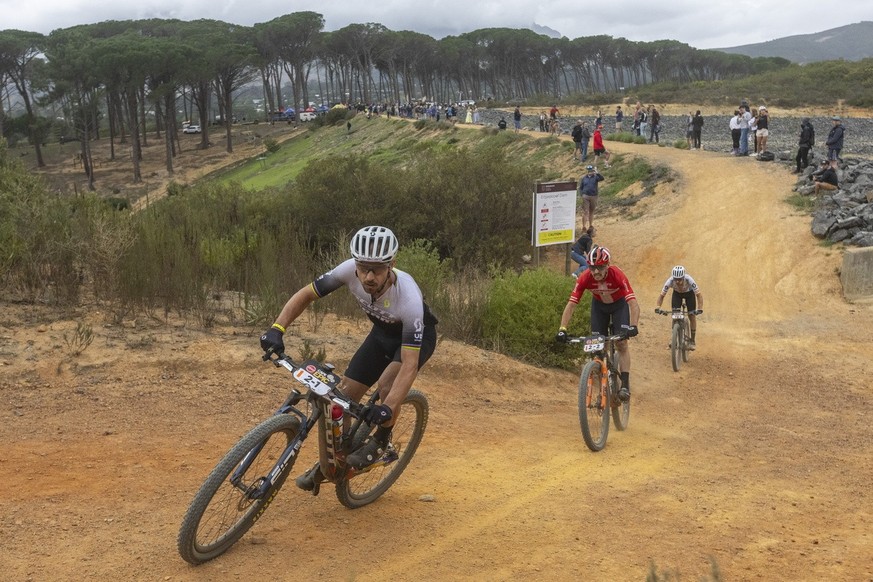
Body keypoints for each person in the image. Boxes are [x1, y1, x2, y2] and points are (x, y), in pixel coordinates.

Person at [259, 226, 438, 490]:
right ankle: (335, 460)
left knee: (388, 386)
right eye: (363, 267)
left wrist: (386, 407)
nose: (368, 276)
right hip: (381, 334)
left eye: (376, 269)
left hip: (414, 341)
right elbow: (306, 294)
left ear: (392, 265)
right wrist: (277, 328)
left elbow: (409, 365)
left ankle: (381, 442)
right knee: (341, 398)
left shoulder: (408, 297)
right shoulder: (347, 271)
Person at [556, 246, 640, 401]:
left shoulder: (618, 275)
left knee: (622, 344)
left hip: (619, 307)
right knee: (598, 347)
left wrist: (633, 326)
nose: (596, 272)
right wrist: (562, 328)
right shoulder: (585, 277)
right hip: (599, 308)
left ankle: (625, 385)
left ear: (607, 265)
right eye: (592, 268)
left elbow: (633, 303)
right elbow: (571, 304)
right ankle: (601, 381)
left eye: (600, 267)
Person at [655, 265, 704, 350]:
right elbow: (661, 296)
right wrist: (658, 307)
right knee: (675, 314)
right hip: (677, 295)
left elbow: (699, 295)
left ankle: (692, 340)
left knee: (691, 316)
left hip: (689, 294)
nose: (677, 282)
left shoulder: (689, 280)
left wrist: (699, 309)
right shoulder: (670, 281)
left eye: (680, 279)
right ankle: (674, 339)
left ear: (683, 277)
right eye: (675, 279)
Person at [578, 165, 605, 231]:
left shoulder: (596, 177)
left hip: (594, 196)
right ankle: (584, 227)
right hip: (585, 196)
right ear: (587, 171)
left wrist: (597, 172)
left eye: (591, 171)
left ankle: (590, 225)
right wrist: (582, 194)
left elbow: (602, 178)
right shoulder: (584, 178)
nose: (590, 172)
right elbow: (580, 187)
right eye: (589, 171)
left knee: (591, 211)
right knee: (586, 211)